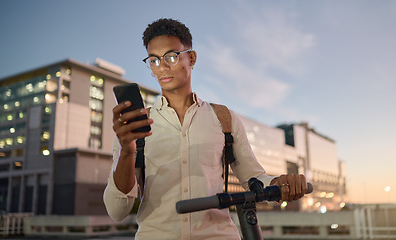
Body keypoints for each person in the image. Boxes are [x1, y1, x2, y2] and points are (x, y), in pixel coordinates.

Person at [104, 18, 308, 240]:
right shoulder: (133, 129)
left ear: (191, 57)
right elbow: (117, 211)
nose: (162, 67)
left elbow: (254, 177)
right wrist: (126, 151)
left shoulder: (223, 118)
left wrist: (279, 184)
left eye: (171, 56)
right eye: (153, 60)